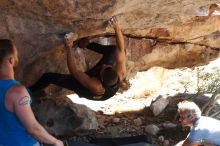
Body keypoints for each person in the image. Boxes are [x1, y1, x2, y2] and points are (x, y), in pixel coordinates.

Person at [29, 17, 126, 101]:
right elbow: (120, 49)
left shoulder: (96, 86)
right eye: (107, 66)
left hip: (86, 90)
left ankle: (29, 91)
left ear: (101, 77)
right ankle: (86, 44)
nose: (104, 65)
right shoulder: (120, 73)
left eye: (104, 68)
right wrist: (116, 27)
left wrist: (69, 46)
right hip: (102, 79)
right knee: (113, 51)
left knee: (49, 77)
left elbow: (74, 71)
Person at [0, 39, 64, 146]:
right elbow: (33, 129)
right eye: (16, 53)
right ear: (11, 60)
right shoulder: (17, 92)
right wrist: (57, 142)